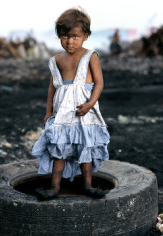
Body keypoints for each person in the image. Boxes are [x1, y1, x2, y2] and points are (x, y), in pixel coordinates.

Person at [32, 8, 110, 200]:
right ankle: (54, 188)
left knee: (85, 149)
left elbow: (99, 83)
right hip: (62, 115)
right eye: (64, 36)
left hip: (84, 112)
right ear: (59, 36)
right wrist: (48, 112)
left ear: (85, 36)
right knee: (59, 151)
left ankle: (88, 186)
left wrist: (90, 103)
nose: (69, 41)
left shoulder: (90, 56)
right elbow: (52, 88)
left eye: (75, 36)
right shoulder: (56, 60)